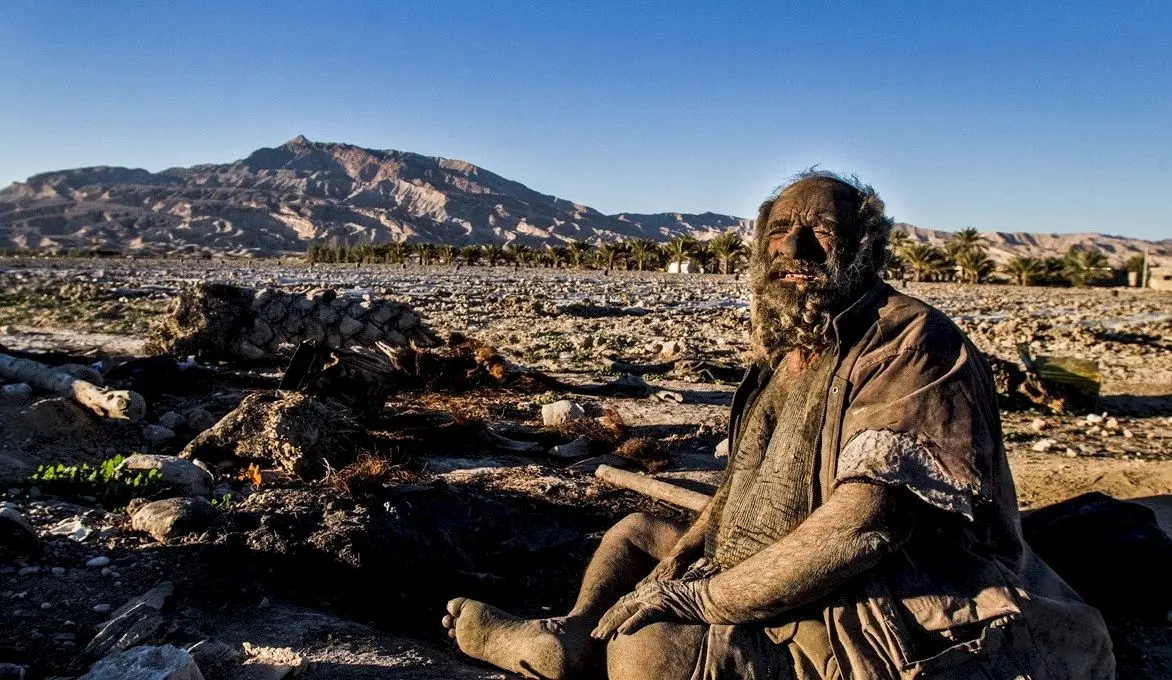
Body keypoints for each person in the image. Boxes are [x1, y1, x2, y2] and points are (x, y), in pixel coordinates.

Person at [442, 172, 1115, 679]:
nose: (794, 247)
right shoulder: (784, 354)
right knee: (639, 532)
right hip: (763, 563)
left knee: (650, 648)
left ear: (864, 248)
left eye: (820, 232)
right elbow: (738, 487)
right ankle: (571, 632)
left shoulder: (909, 341)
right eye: (777, 234)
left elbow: (862, 528)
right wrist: (687, 554)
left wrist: (702, 599)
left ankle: (599, 650)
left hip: (882, 591)